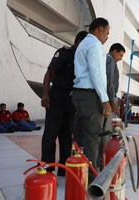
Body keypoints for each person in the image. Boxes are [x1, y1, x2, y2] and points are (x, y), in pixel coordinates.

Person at [41, 31, 88, 176]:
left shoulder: (82, 58)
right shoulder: (64, 52)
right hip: (57, 96)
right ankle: (48, 167)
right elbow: (49, 72)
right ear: (79, 41)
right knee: (51, 132)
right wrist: (45, 93)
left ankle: (63, 167)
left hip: (71, 99)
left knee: (67, 134)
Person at [72, 17, 112, 182]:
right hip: (89, 95)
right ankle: (90, 178)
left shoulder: (83, 43)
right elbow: (97, 74)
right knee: (92, 137)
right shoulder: (94, 44)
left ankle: (77, 171)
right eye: (107, 33)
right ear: (100, 29)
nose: (107, 37)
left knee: (80, 135)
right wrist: (105, 100)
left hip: (79, 95)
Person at [97, 43, 125, 170]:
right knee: (106, 132)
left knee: (104, 132)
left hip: (106, 100)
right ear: (114, 51)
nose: (121, 58)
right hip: (107, 101)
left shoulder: (107, 60)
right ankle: (103, 160)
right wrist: (113, 103)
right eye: (120, 54)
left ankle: (100, 159)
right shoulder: (110, 60)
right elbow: (109, 83)